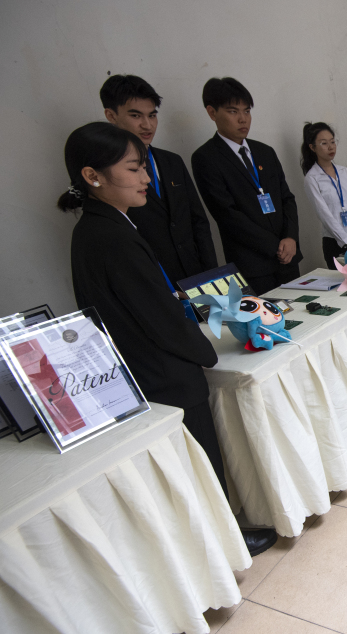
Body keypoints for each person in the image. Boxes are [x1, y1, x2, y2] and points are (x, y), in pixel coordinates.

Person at [59, 122, 277, 556]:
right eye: (133, 168)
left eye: (143, 167)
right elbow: (156, 318)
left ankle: (220, 538)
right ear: (92, 176)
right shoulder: (111, 235)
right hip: (164, 372)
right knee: (199, 459)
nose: (145, 178)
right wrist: (205, 352)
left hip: (149, 366)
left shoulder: (100, 227)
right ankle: (226, 544)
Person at [100, 74, 217, 285]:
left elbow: (198, 221)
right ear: (111, 115)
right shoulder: (108, 173)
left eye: (152, 115)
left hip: (195, 274)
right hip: (152, 280)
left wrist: (211, 273)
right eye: (136, 116)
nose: (147, 125)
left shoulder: (172, 161)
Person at [191, 77, 302, 294]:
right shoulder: (206, 158)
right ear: (212, 113)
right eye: (233, 111)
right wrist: (275, 246)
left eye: (247, 111)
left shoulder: (265, 152)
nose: (243, 119)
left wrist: (290, 237)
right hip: (253, 264)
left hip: (288, 257)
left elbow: (287, 198)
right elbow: (227, 214)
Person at [300, 122, 347, 269]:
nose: (331, 147)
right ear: (312, 147)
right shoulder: (312, 178)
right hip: (335, 242)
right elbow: (325, 215)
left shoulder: (344, 172)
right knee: (344, 283)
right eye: (324, 143)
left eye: (332, 142)